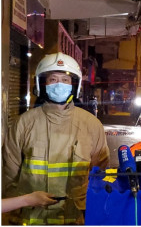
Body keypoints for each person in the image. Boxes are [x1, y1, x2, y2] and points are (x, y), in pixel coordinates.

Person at [2, 52, 110, 225]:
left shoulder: (91, 124)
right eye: (53, 79)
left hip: (76, 220)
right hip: (31, 220)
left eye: (65, 80)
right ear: (42, 84)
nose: (59, 85)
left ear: (74, 85)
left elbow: (99, 177)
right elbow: (8, 177)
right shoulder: (23, 124)